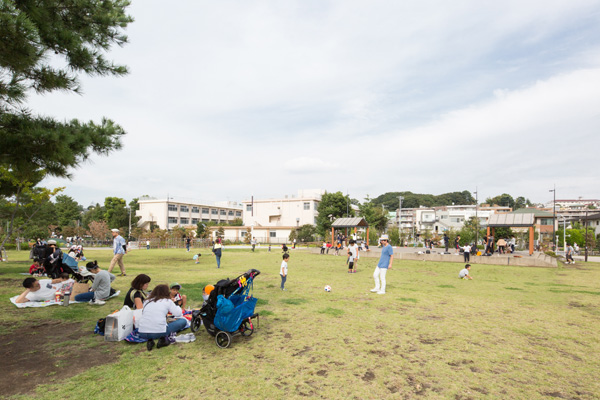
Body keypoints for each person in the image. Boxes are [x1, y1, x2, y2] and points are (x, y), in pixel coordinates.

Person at [138, 284, 187, 351]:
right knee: (183, 321)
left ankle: (151, 340)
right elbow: (178, 313)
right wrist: (175, 303)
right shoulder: (167, 301)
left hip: (142, 332)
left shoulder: (147, 301)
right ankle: (163, 341)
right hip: (159, 331)